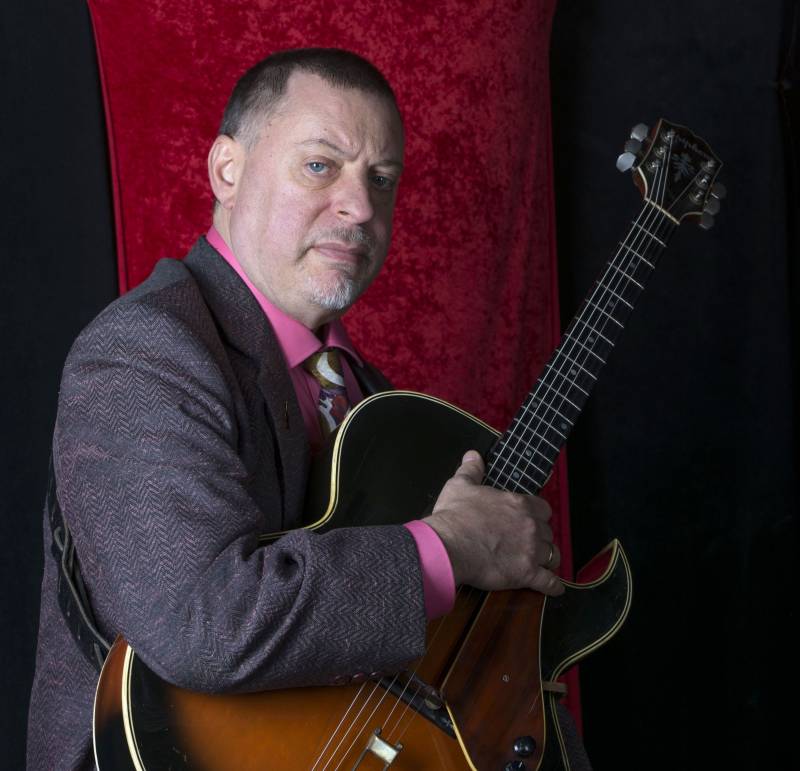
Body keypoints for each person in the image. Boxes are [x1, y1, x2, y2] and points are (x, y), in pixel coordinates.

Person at [27, 48, 580, 770]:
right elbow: (205, 622)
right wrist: (450, 547)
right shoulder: (146, 350)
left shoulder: (370, 395)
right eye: (321, 165)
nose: (360, 207)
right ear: (227, 170)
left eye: (381, 179)